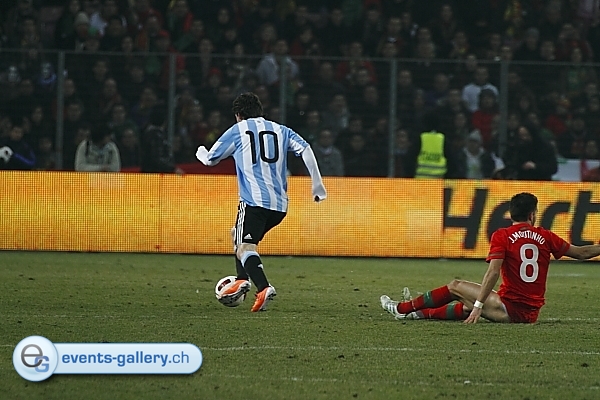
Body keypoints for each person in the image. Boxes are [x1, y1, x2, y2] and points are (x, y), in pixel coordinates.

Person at [195, 92, 327, 312]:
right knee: (237, 235)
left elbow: (210, 160)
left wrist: (201, 152)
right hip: (279, 206)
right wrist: (317, 184)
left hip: (254, 202)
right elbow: (305, 149)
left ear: (238, 115)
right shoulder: (281, 130)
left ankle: (263, 287)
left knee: (245, 247)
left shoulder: (238, 130)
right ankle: (242, 278)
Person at [381, 192, 600, 323]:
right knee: (467, 303)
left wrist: (478, 305)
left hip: (510, 308)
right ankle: (417, 314)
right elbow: (582, 253)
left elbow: (493, 272)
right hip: (531, 313)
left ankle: (402, 309)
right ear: (532, 214)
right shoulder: (545, 236)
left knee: (456, 286)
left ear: (511, 213)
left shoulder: (503, 235)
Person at [139, 105, 184, 174]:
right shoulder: (155, 135)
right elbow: (156, 157)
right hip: (154, 174)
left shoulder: (148, 133)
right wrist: (172, 169)